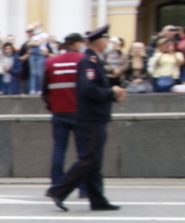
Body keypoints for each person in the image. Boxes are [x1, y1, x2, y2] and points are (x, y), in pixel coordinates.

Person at [46, 25, 126, 211]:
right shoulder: (88, 61)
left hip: (94, 116)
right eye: (106, 39)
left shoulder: (93, 60)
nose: (108, 42)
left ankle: (97, 199)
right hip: (91, 117)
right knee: (89, 159)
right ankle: (59, 190)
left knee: (93, 159)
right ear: (99, 41)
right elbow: (88, 89)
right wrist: (111, 93)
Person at [42, 32, 87, 190]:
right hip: (80, 111)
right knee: (83, 151)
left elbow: (45, 89)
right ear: (76, 44)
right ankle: (83, 187)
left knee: (59, 148)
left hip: (59, 111)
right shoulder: (83, 60)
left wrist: (51, 106)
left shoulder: (51, 62)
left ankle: (57, 183)